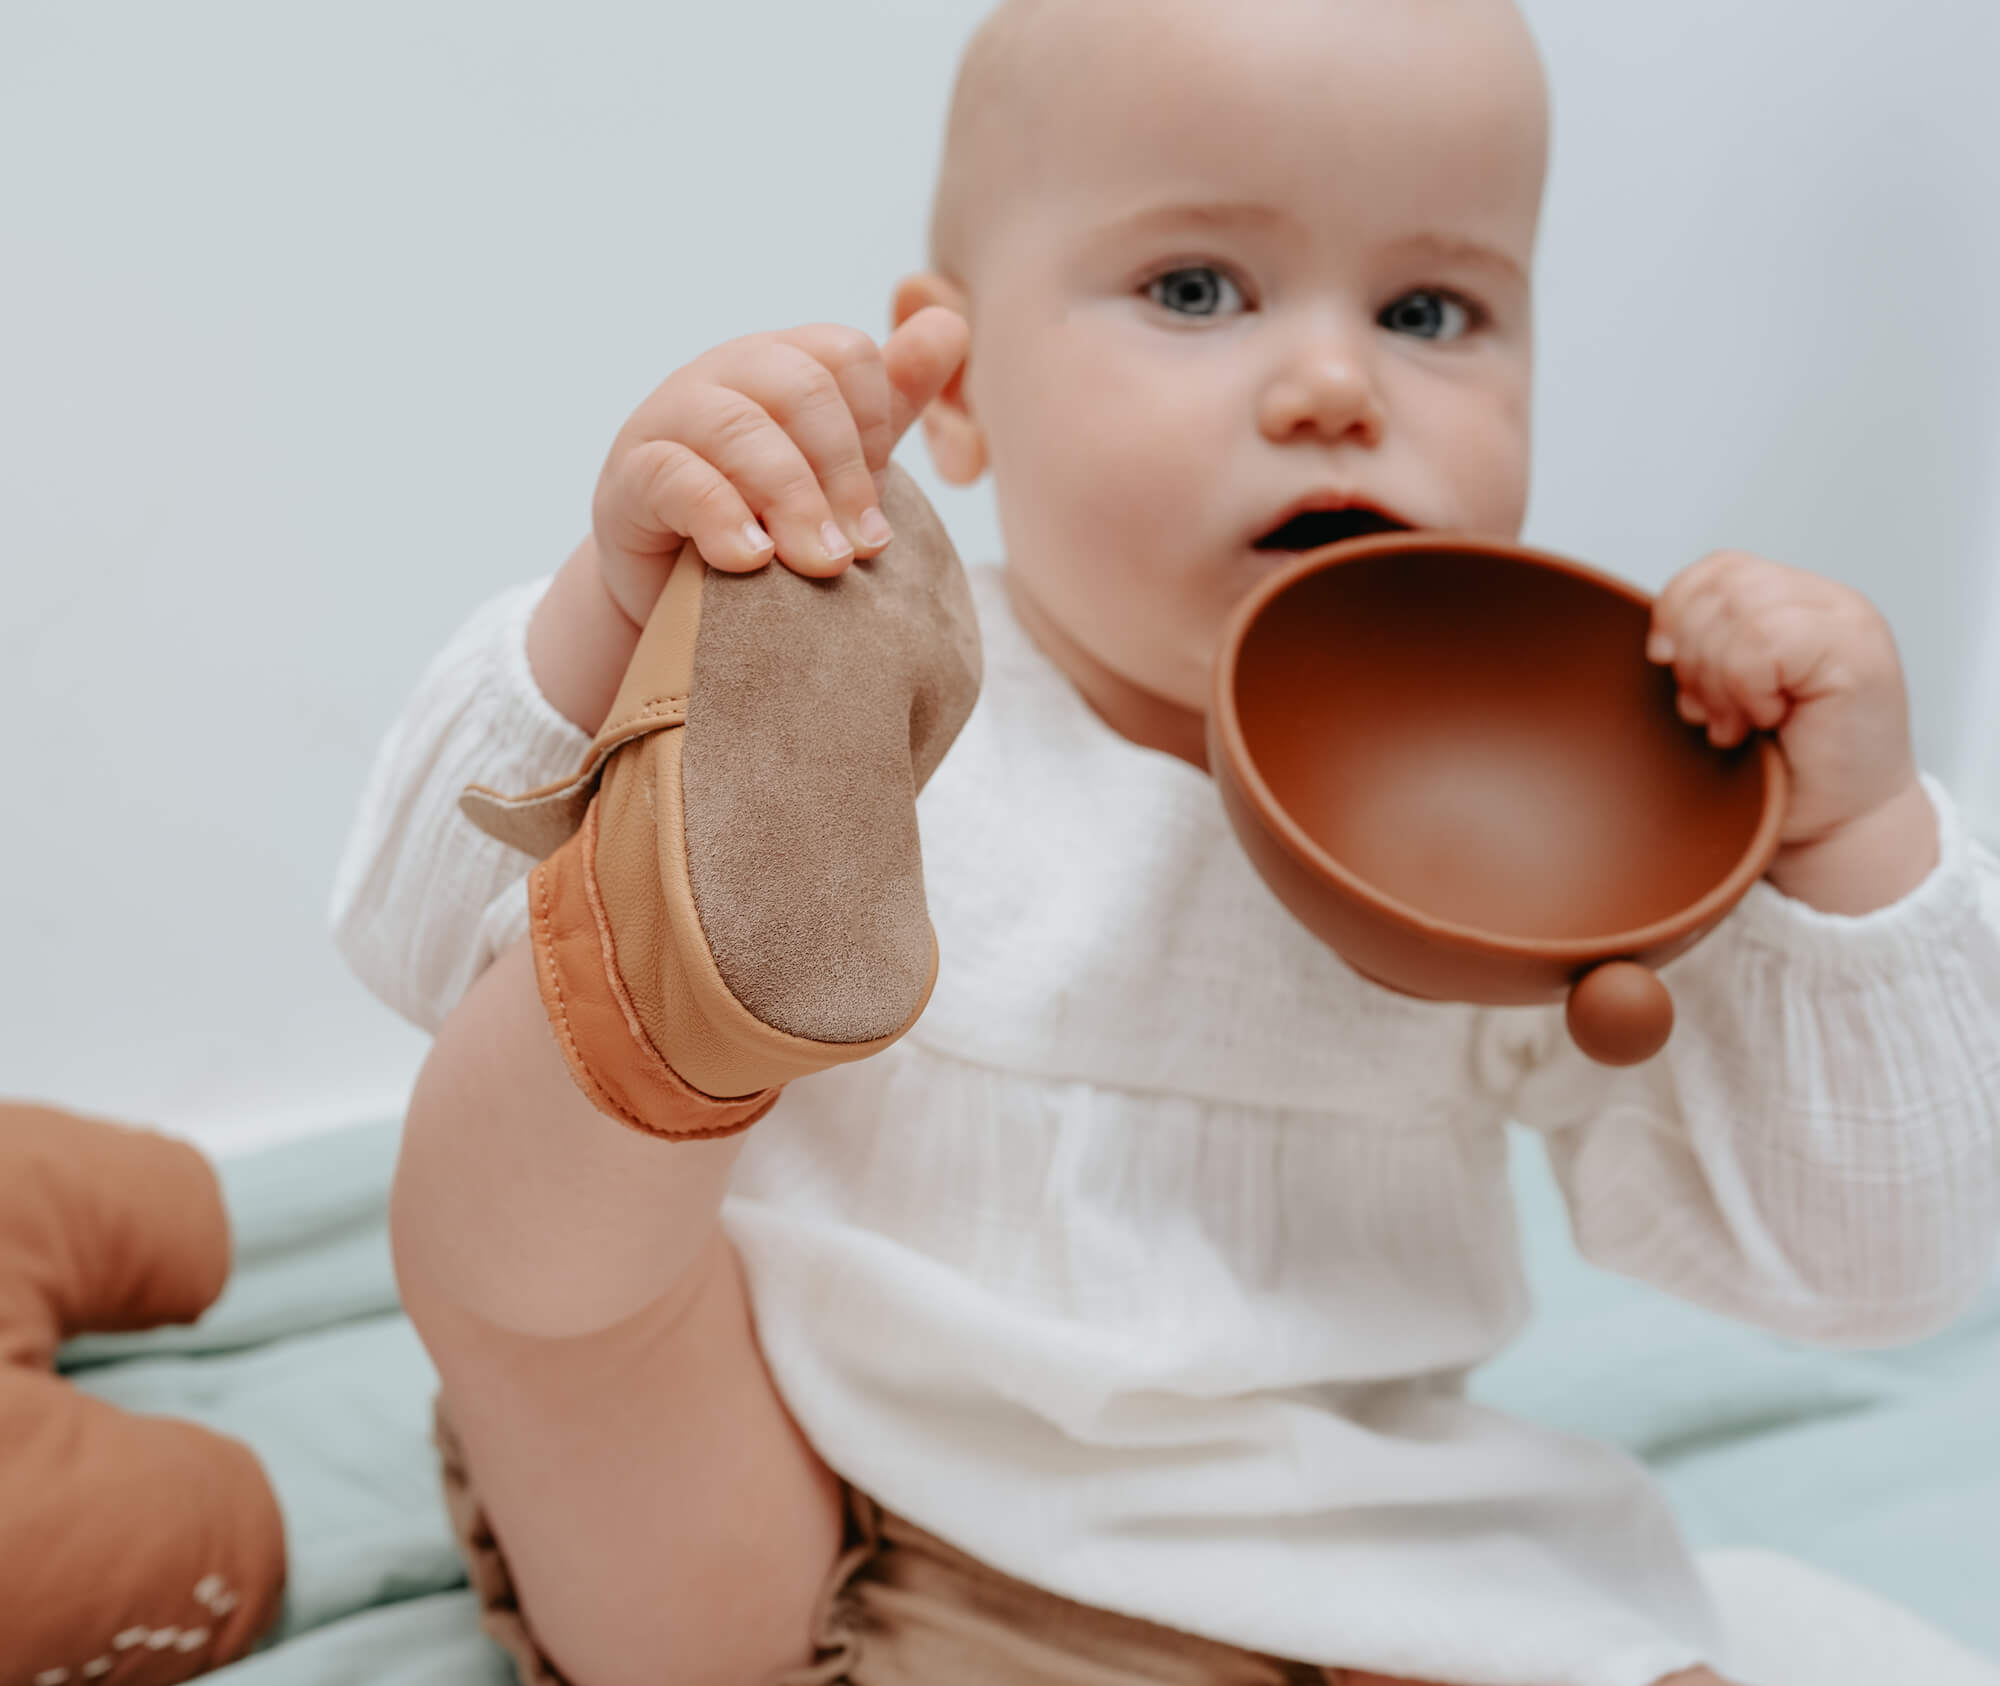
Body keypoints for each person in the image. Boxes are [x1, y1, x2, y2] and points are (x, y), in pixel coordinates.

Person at [330, 1, 2000, 1682]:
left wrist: (1850, 844)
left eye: (1432, 310)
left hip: (1351, 1584)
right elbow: (418, 949)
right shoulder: (876, 687)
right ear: (959, 384)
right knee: (536, 1260)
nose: (1337, 383)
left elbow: (1875, 1272)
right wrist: (613, 613)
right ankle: (664, 958)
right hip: (802, 1510)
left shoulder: (1519, 832)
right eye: (1196, 290)